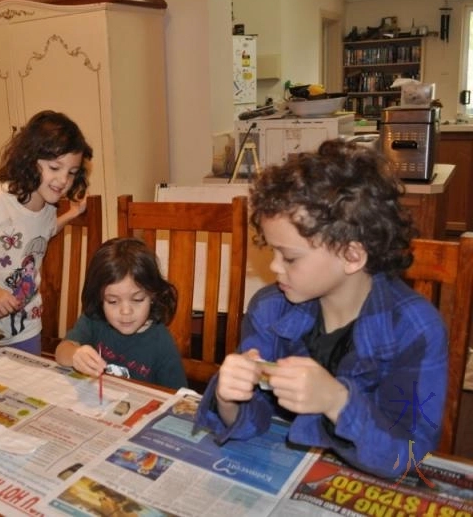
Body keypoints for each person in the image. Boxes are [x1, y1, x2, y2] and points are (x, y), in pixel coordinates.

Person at [193, 139, 448, 478]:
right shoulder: (270, 309)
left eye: (290, 257)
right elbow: (254, 420)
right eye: (272, 251)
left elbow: (409, 459)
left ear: (352, 256)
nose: (274, 267)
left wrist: (337, 402)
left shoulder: (415, 329)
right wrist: (229, 399)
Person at [0, 110, 92, 355]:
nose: (63, 179)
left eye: (71, 172)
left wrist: (70, 215)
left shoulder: (48, 210)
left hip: (26, 325)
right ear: (30, 158)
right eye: (55, 167)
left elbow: (41, 233)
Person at [56, 237, 187, 389]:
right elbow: (61, 351)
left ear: (153, 295)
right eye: (112, 301)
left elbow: (177, 397)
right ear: (100, 298)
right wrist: (75, 355)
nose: (126, 311)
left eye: (137, 299)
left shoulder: (161, 342)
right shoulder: (94, 319)